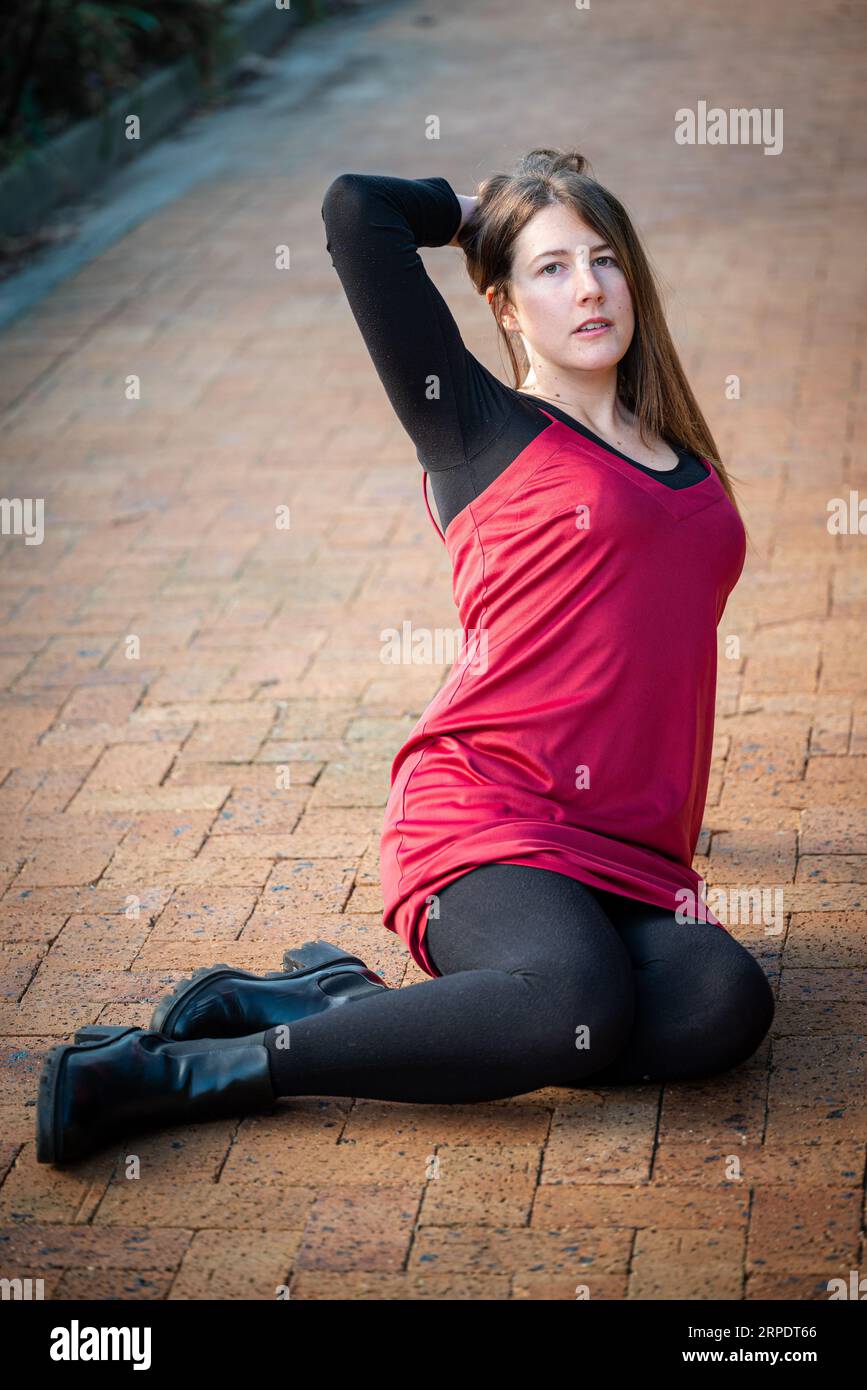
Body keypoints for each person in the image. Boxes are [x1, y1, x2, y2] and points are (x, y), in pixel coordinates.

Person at [37, 148, 774, 1166]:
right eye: (550, 267)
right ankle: (187, 1071)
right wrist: (484, 212)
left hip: (630, 856)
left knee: (725, 1003)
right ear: (506, 307)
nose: (589, 287)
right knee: (575, 1003)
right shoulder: (476, 425)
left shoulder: (674, 444)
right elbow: (356, 213)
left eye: (604, 260)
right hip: (491, 817)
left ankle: (346, 998)